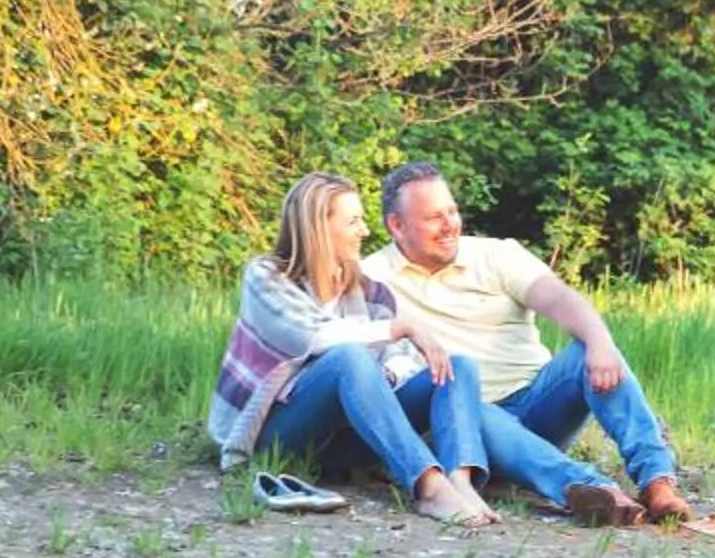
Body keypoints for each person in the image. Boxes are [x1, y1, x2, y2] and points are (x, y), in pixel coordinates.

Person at [365, 159, 697, 526]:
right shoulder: (373, 278)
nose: (450, 225)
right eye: (434, 218)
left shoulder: (496, 255)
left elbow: (558, 298)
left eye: (453, 212)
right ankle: (590, 490)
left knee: (590, 349)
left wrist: (600, 342)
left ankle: (657, 481)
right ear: (397, 225)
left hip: (538, 400)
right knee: (475, 408)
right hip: (461, 420)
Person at [207, 172, 499, 526]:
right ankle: (428, 486)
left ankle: (459, 480)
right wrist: (398, 328)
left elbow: (400, 364)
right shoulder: (267, 277)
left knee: (457, 367)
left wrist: (383, 375)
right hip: (276, 436)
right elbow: (308, 337)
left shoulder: (370, 292)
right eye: (353, 221)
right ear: (319, 227)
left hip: (345, 442)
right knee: (348, 357)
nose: (364, 230)